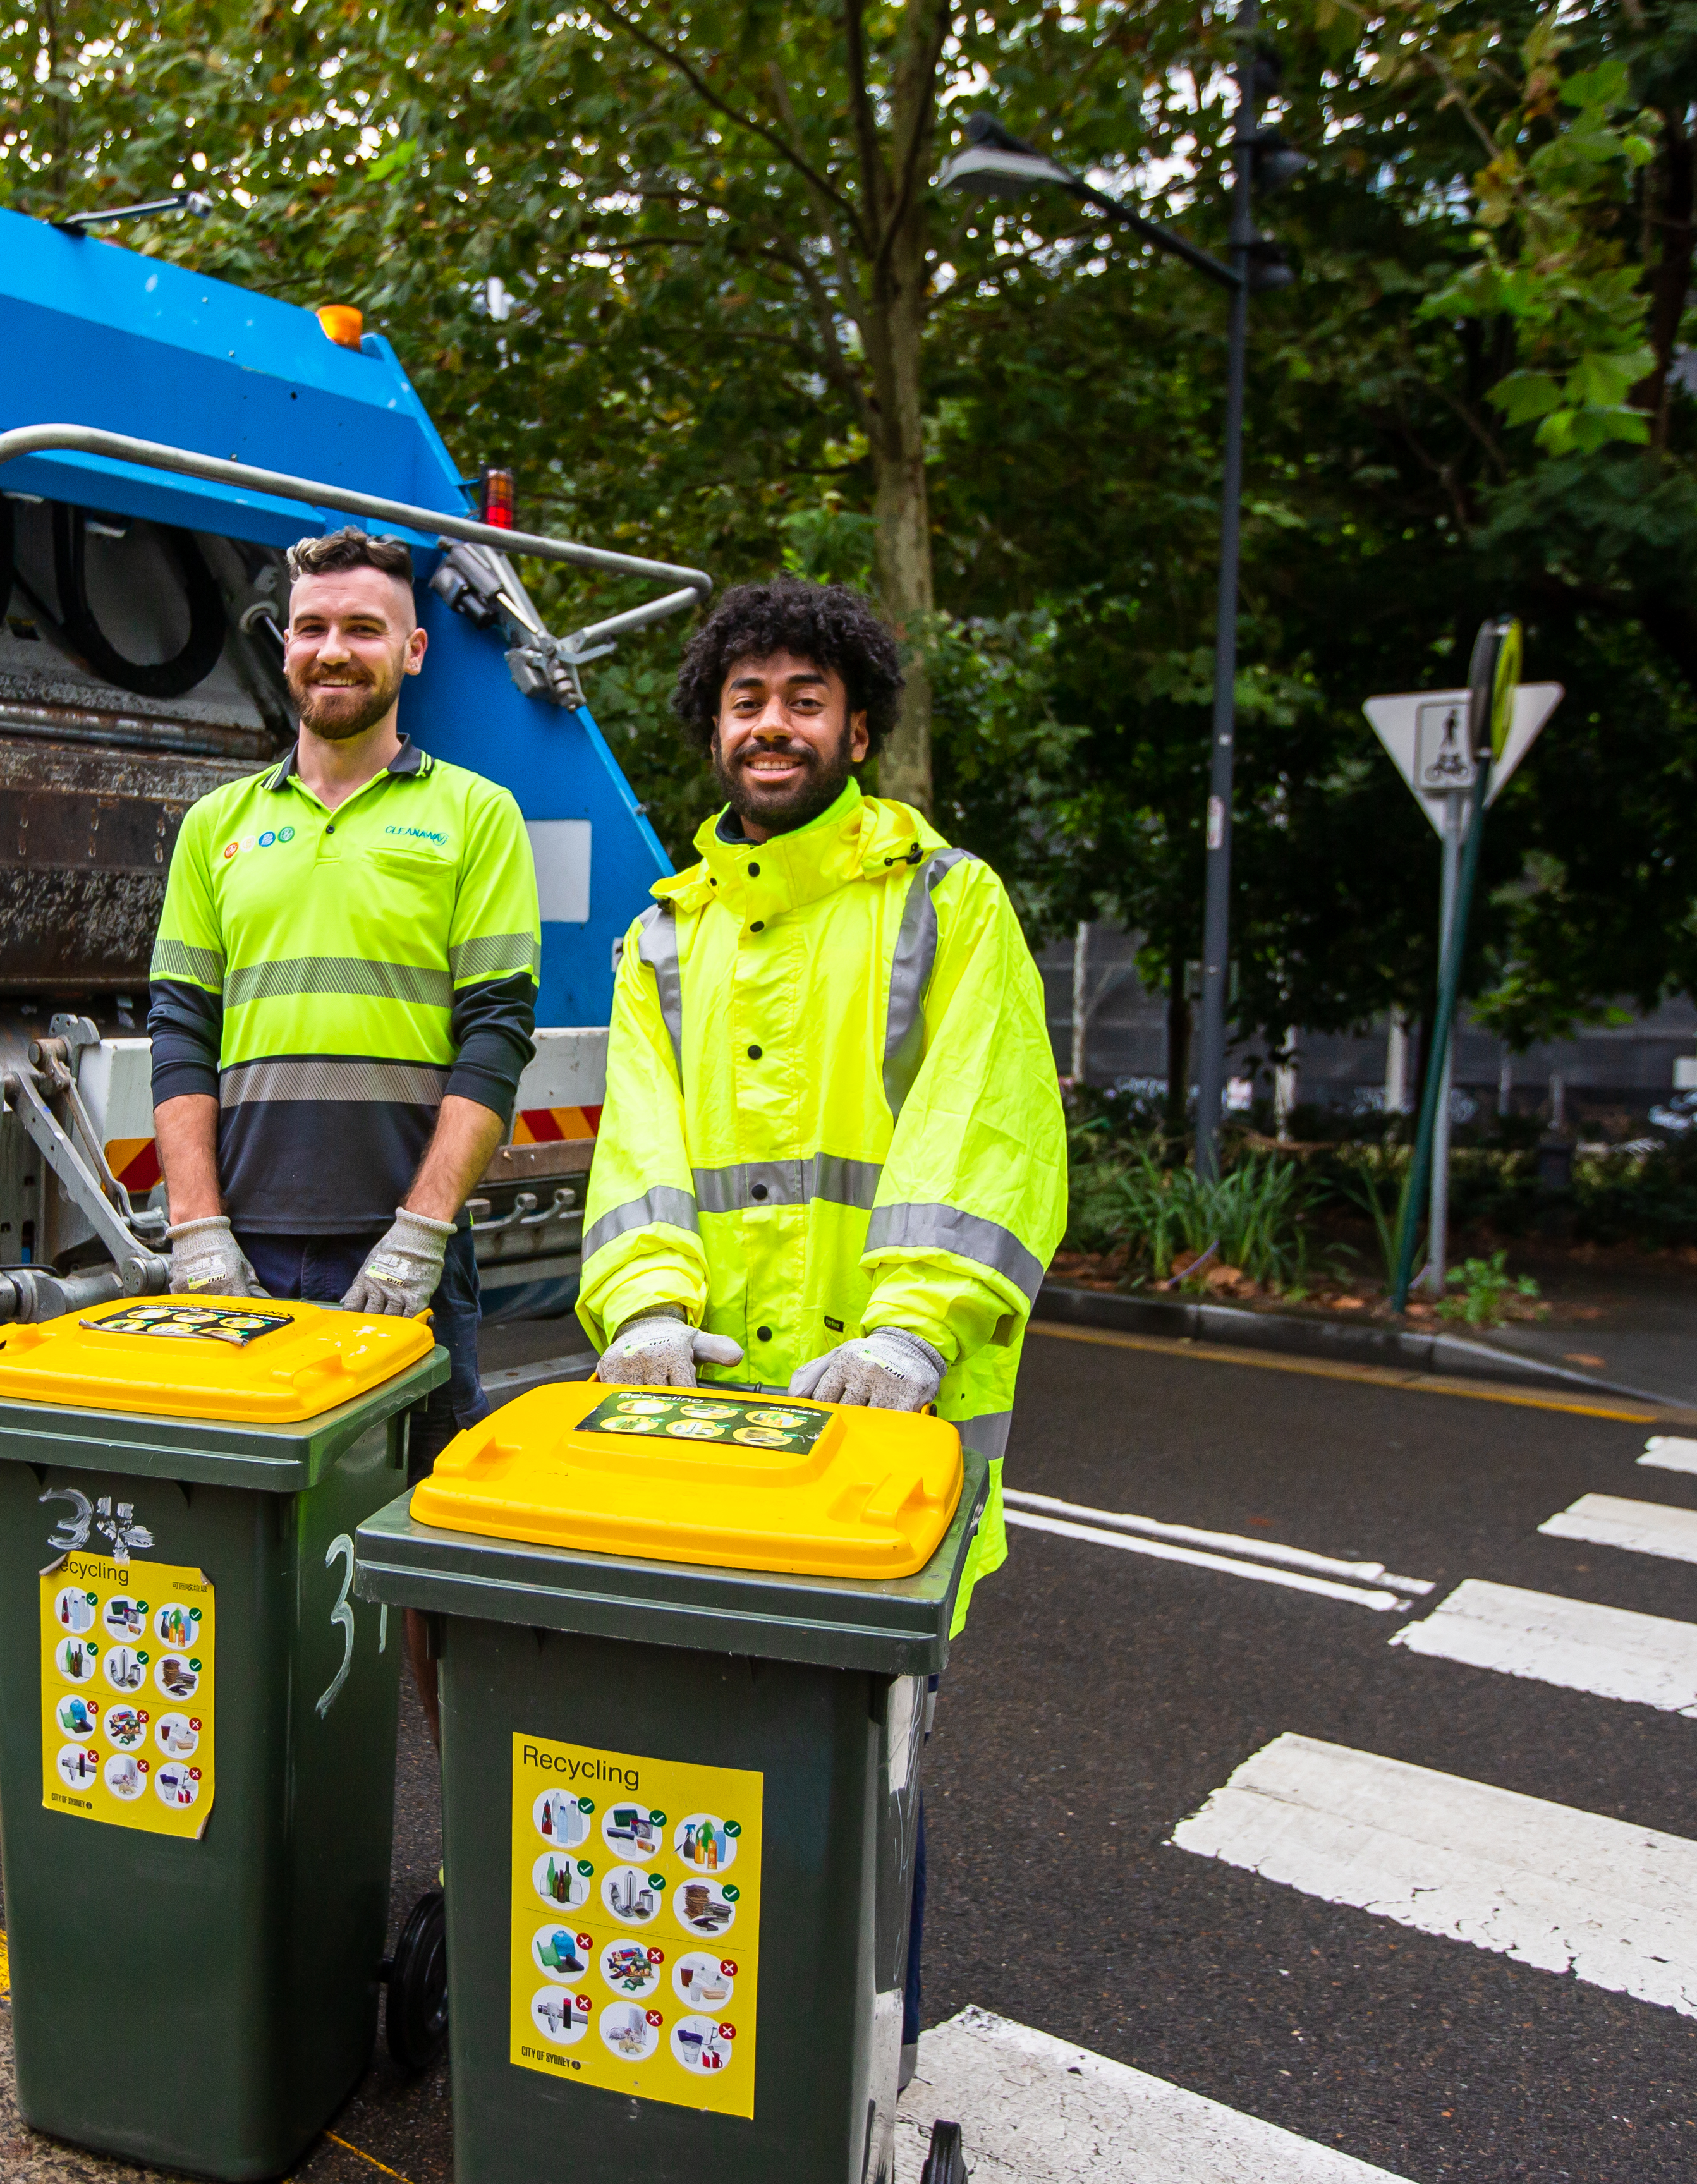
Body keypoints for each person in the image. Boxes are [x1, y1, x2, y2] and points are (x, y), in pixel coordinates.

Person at [575, 576, 1067, 2080]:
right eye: (746, 700)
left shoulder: (945, 901)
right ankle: (718, 2082)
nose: (772, 725)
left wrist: (916, 1331)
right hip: (715, 1433)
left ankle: (857, 2087)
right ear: (712, 728)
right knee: (712, 1770)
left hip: (884, 1439)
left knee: (867, 1787)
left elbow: (985, 1131)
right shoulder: (665, 937)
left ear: (857, 726)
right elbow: (639, 1148)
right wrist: (648, 1301)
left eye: (804, 699)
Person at [147, 526, 542, 1735]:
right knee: (241, 1564)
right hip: (247, 1268)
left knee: (427, 1571)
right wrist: (199, 1230)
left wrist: (419, 1237)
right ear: (282, 646)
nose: (333, 650)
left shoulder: (476, 818)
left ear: (413, 650)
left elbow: (494, 1039)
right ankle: (262, 1850)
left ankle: (464, 1856)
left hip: (404, 1271)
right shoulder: (219, 825)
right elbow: (180, 1037)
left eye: (363, 628)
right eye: (311, 628)